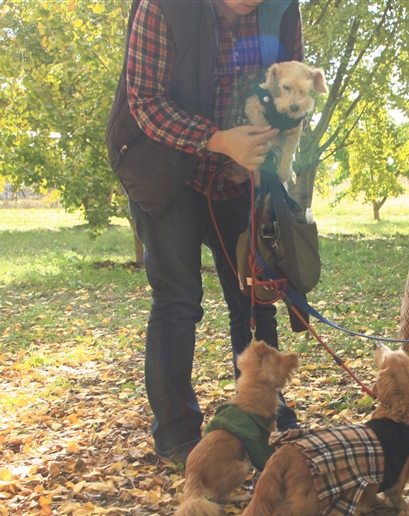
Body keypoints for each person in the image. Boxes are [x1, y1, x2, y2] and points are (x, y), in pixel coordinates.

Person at [106, 0, 303, 466]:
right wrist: (219, 140)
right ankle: (177, 437)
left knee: (254, 295)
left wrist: (271, 146)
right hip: (161, 167)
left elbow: (292, 93)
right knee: (178, 301)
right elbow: (145, 102)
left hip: (238, 171)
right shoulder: (162, 5)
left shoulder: (282, 8)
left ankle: (265, 413)